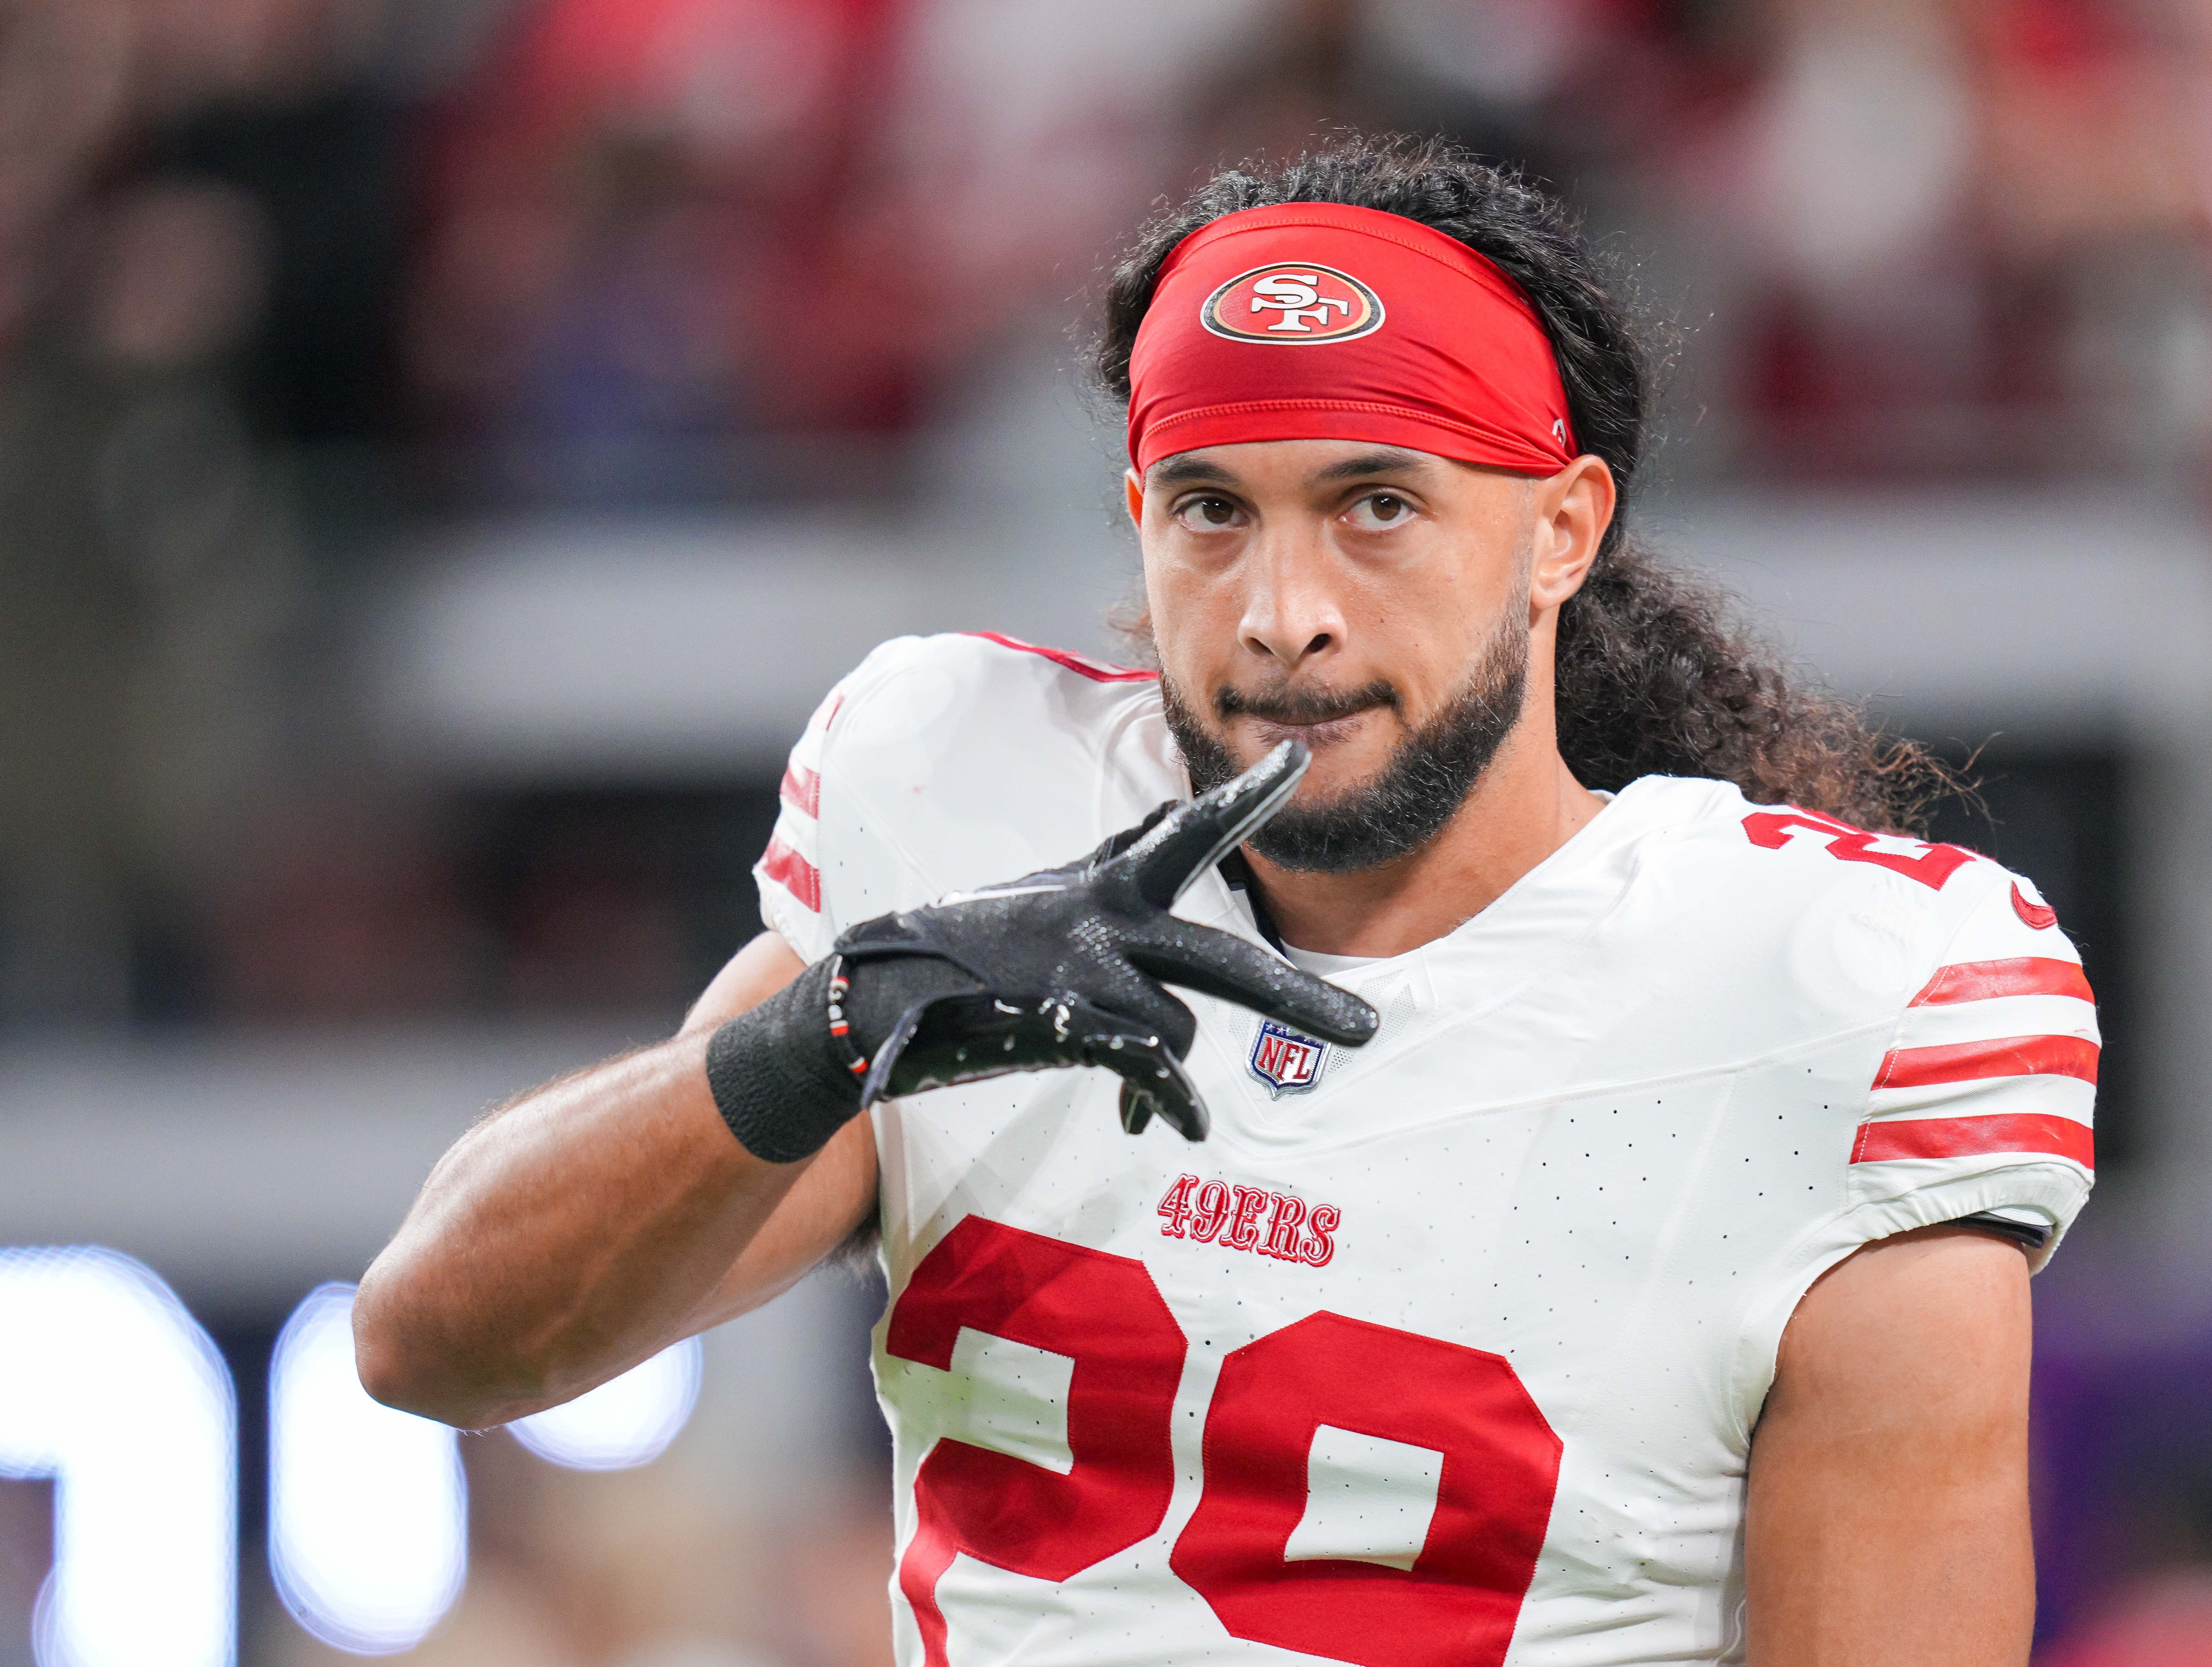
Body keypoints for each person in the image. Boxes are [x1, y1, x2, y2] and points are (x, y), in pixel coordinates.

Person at [356, 136, 2099, 1666]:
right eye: (1210, 510)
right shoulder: (970, 813)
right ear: (1133, 518)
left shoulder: (1839, 999)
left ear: (1562, 532)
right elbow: (436, 1340)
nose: (1282, 612)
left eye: (1377, 510)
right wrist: (840, 1020)